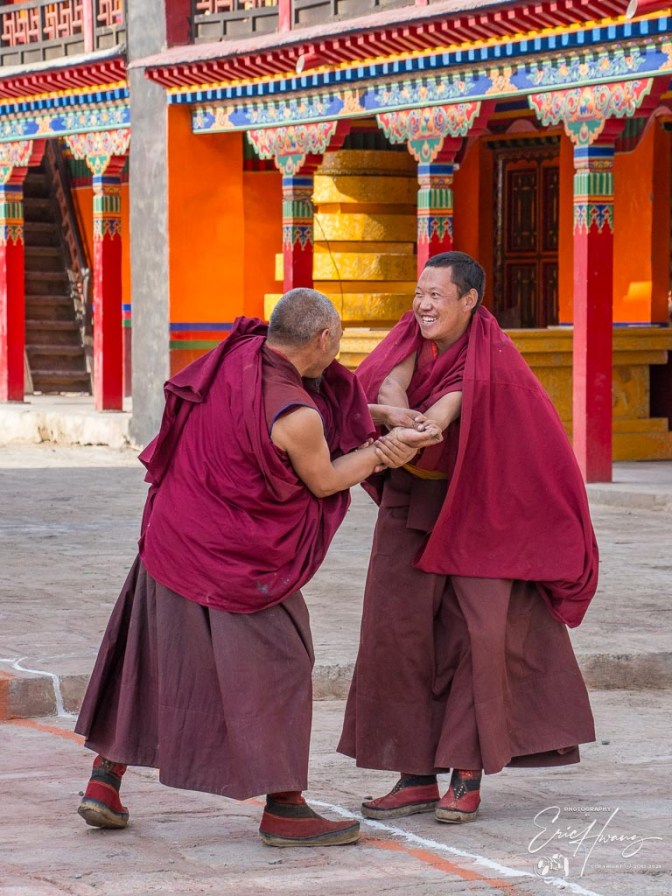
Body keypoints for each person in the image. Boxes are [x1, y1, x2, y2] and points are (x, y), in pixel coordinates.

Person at [75, 288, 436, 848]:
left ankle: (104, 782)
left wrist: (382, 413)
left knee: (148, 656)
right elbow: (325, 479)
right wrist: (387, 451)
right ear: (322, 339)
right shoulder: (295, 415)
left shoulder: (236, 357)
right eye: (337, 343)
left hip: (172, 535)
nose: (338, 356)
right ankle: (285, 807)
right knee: (284, 659)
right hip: (236, 556)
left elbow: (316, 405)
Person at [338, 251, 598, 824]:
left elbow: (460, 398)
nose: (423, 306)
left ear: (469, 300)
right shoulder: (412, 333)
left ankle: (466, 774)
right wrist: (403, 417)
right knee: (397, 632)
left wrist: (431, 423)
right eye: (419, 294)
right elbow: (388, 376)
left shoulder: (492, 353)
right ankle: (413, 776)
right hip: (413, 501)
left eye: (436, 296)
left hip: (481, 505)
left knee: (477, 635)